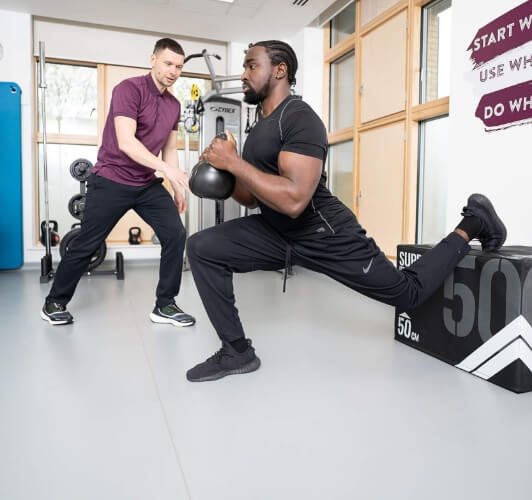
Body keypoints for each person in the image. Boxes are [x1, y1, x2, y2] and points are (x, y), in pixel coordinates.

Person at [185, 40, 506, 383]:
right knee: (203, 247)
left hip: (324, 232)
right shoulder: (259, 127)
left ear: (280, 70)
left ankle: (472, 221)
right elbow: (251, 198)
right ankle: (237, 351)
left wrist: (233, 162)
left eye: (252, 66)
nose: (244, 74)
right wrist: (228, 172)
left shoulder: (299, 119)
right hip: (278, 232)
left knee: (406, 293)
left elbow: (295, 200)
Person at [41, 38, 195, 327]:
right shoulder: (129, 89)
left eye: (179, 66)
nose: (174, 71)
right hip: (111, 179)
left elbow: (170, 149)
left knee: (175, 234)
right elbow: (126, 142)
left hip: (146, 183)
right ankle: (54, 302)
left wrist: (176, 186)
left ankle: (165, 304)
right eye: (168, 63)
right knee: (88, 242)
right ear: (153, 59)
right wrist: (167, 171)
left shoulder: (174, 104)